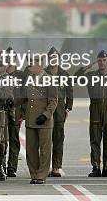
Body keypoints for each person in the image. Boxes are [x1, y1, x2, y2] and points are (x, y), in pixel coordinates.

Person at [75, 50, 107, 177]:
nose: (102, 63)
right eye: (100, 60)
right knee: (95, 140)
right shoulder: (90, 75)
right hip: (95, 110)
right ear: (97, 61)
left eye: (104, 60)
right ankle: (95, 167)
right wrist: (87, 66)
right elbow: (75, 78)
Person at [23, 55, 58, 185]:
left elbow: (53, 101)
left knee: (44, 149)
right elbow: (25, 98)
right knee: (31, 149)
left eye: (31, 63)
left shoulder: (49, 79)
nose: (29, 66)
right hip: (31, 119)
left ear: (39, 64)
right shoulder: (29, 79)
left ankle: (41, 175)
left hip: (44, 121)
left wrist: (46, 115)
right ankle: (34, 173)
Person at [45, 47, 73, 177]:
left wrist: (68, 108)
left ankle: (56, 167)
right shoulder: (43, 73)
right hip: (46, 109)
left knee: (58, 138)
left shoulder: (64, 74)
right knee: (45, 139)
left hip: (60, 109)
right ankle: (45, 167)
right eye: (51, 58)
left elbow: (70, 92)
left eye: (55, 58)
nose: (53, 60)